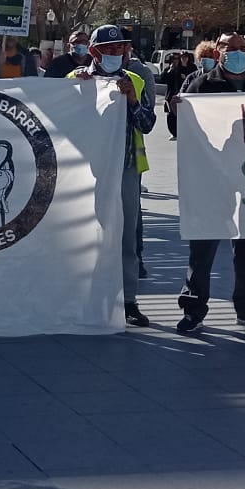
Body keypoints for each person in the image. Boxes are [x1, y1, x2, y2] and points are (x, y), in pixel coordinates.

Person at [177, 33, 245, 334]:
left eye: (241, 49)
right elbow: (187, 132)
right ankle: (193, 308)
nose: (236, 53)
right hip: (211, 180)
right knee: (203, 246)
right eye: (229, 48)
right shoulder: (201, 85)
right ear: (218, 52)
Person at [69, 25, 156, 327]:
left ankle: (127, 299)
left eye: (120, 48)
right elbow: (62, 123)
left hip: (126, 167)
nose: (116, 54)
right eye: (109, 49)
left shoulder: (134, 79)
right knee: (85, 233)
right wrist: (78, 92)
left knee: (126, 234)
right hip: (87, 170)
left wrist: (132, 101)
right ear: (94, 52)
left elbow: (147, 124)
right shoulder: (74, 80)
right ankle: (86, 295)